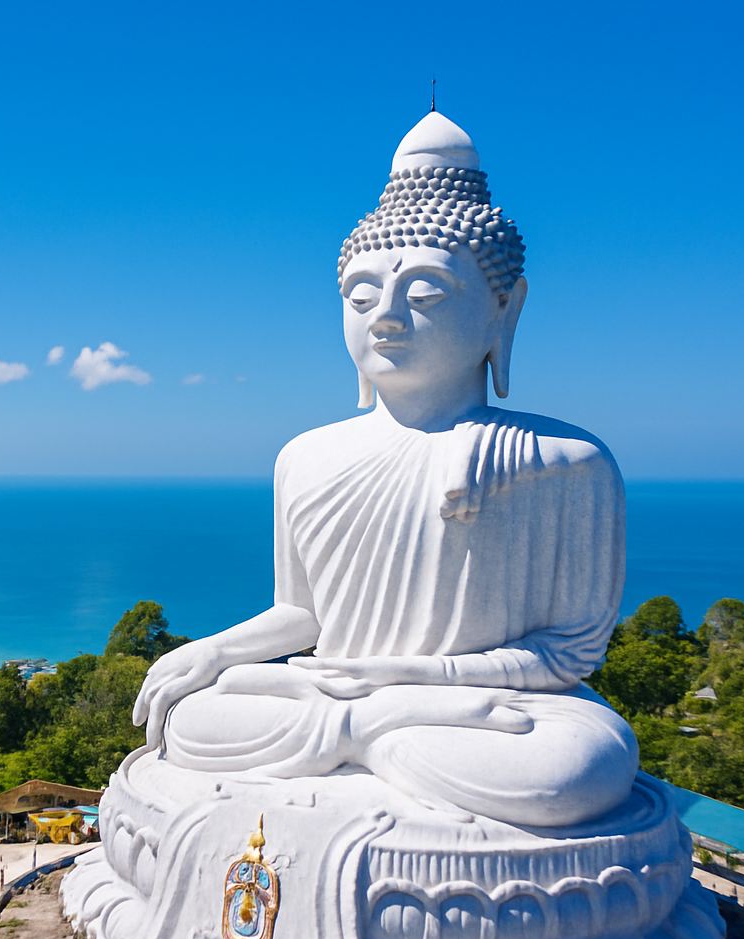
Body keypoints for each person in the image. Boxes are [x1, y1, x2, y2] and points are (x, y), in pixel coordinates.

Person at [132, 112, 636, 829]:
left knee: (575, 767)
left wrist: (414, 684)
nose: (387, 318)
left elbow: (570, 651)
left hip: (473, 712)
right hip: (355, 701)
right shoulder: (306, 456)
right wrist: (211, 652)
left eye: (426, 294)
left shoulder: (562, 463)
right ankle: (368, 739)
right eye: (362, 296)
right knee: (194, 717)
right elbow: (304, 615)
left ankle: (362, 738)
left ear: (504, 310)